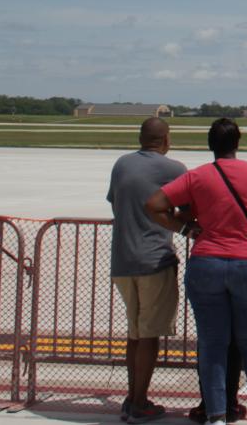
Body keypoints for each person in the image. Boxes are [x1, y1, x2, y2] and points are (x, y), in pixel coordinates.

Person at [146, 117, 247, 425]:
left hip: (206, 263)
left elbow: (153, 204)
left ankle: (216, 415)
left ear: (210, 145)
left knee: (212, 343)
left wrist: (183, 228)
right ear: (237, 143)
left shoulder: (197, 177)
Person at [109, 117, 188, 423]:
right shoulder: (173, 169)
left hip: (122, 260)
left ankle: (132, 397)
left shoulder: (122, 164)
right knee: (150, 335)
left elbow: (115, 203)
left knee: (135, 334)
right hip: (153, 261)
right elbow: (189, 208)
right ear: (166, 140)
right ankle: (140, 401)